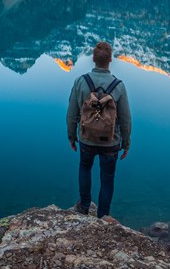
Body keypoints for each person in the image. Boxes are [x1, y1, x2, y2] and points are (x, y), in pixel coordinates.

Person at [66, 41, 131, 218]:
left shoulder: (81, 81)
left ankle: (84, 205)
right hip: (111, 142)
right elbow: (125, 119)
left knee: (85, 167)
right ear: (110, 60)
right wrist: (126, 143)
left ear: (93, 59)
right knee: (107, 178)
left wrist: (72, 136)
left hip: (87, 138)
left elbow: (72, 112)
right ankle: (103, 214)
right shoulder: (119, 86)